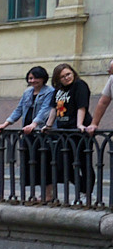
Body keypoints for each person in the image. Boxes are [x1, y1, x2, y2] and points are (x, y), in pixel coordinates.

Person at [0, 66, 55, 202]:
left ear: (43, 78)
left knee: (44, 163)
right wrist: (6, 123)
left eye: (35, 78)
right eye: (30, 78)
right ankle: (37, 194)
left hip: (42, 132)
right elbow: (19, 109)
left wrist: (34, 124)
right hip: (28, 133)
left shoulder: (50, 92)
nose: (33, 81)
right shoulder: (27, 93)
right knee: (31, 163)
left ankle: (48, 194)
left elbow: (46, 110)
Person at [50, 62, 94, 201]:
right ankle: (83, 189)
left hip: (78, 131)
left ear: (73, 73)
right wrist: (48, 125)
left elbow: (82, 106)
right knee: (62, 164)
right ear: (57, 79)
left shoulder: (79, 85)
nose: (66, 78)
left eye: (68, 74)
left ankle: (87, 192)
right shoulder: (59, 89)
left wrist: (80, 124)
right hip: (64, 130)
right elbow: (54, 108)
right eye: (62, 76)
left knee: (83, 161)